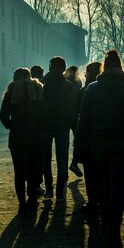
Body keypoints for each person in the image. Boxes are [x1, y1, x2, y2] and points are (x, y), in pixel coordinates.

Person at [75, 50, 124, 247]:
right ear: (120, 66)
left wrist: (79, 147)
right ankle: (115, 228)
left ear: (104, 67)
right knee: (118, 185)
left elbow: (84, 121)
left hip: (99, 141)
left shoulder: (92, 89)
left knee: (102, 182)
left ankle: (103, 220)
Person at [0, 68, 46, 217]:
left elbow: (3, 115)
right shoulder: (37, 90)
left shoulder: (11, 92)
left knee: (19, 172)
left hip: (17, 137)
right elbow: (46, 113)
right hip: (35, 137)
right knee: (33, 170)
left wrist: (11, 126)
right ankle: (32, 199)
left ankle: (21, 205)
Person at [41, 56, 77, 201]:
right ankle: (60, 191)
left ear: (50, 67)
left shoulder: (41, 84)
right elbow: (72, 108)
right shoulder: (67, 86)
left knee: (45, 159)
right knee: (62, 160)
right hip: (62, 126)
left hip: (45, 126)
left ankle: (49, 189)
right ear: (63, 68)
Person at [71, 62, 103, 215]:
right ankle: (104, 201)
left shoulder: (83, 92)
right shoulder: (108, 91)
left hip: (89, 137)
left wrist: (78, 138)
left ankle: (92, 201)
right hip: (104, 135)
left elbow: (76, 117)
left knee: (90, 171)